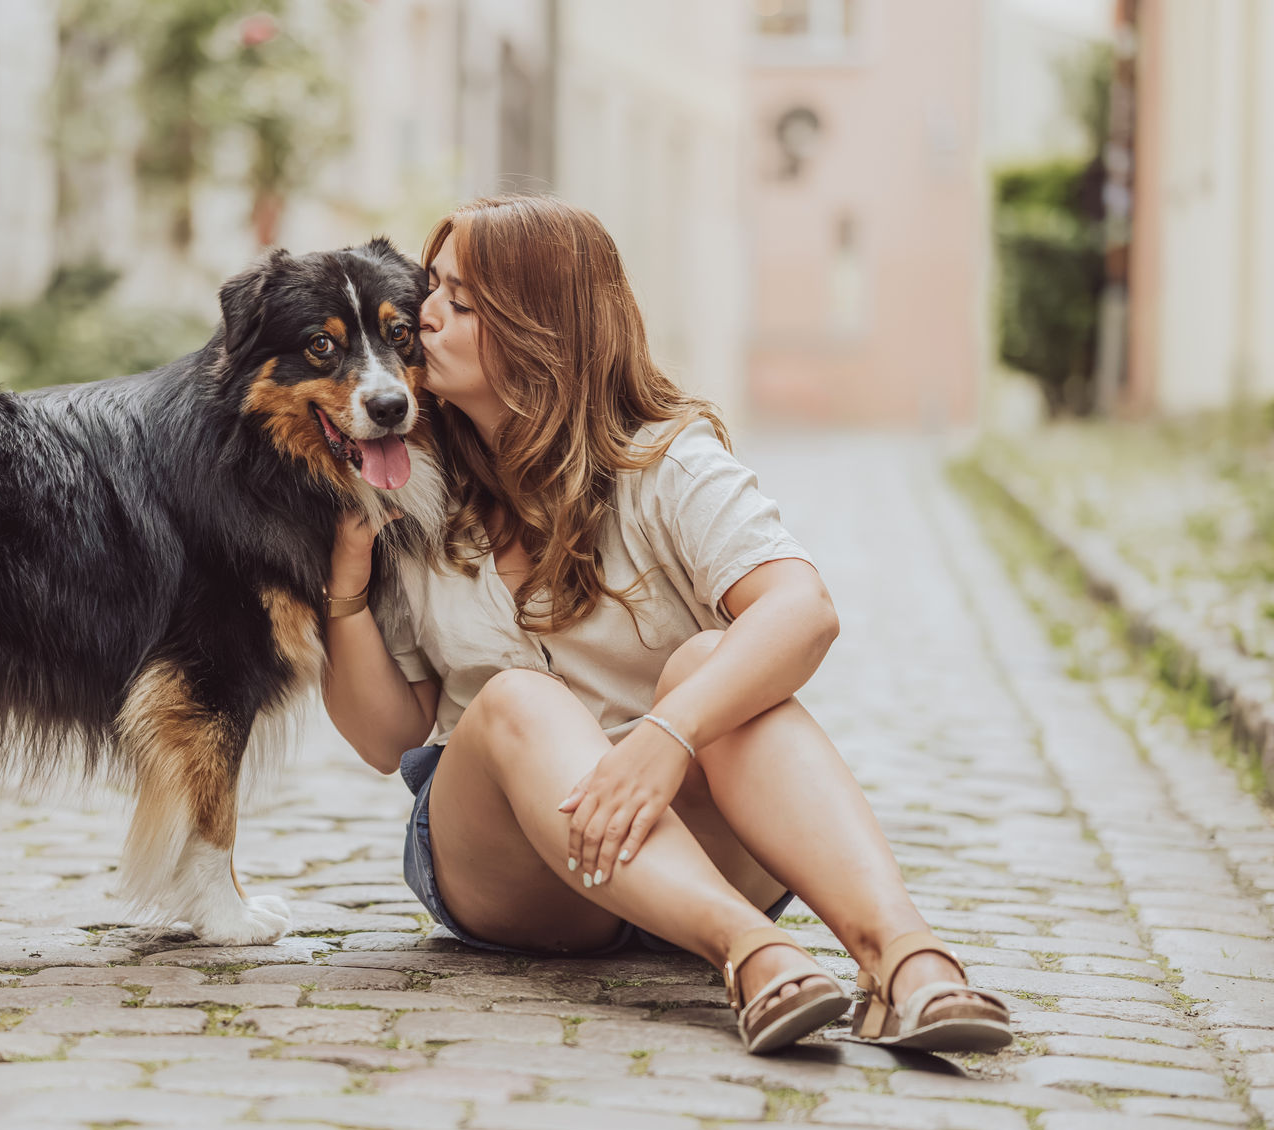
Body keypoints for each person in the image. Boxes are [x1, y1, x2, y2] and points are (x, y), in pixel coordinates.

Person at [321, 195, 1010, 1054]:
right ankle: (752, 952)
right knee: (517, 700)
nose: (423, 316)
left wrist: (666, 737)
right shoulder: (406, 480)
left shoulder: (665, 459)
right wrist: (345, 588)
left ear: (542, 330)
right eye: (432, 290)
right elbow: (387, 738)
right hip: (517, 871)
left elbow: (803, 610)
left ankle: (906, 963)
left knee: (714, 658)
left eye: (459, 302)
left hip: (698, 833)